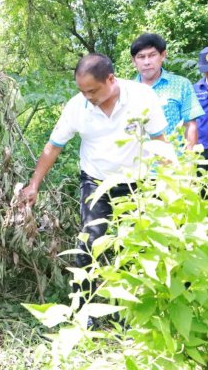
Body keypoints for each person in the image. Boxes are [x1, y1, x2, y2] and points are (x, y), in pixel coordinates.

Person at [21, 53, 168, 300]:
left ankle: (131, 309)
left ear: (111, 79)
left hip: (138, 184)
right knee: (89, 245)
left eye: (92, 91)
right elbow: (53, 146)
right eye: (82, 91)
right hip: (96, 183)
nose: (88, 97)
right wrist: (34, 184)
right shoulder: (77, 106)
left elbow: (160, 142)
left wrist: (170, 183)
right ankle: (83, 308)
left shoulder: (142, 97)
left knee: (136, 246)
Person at [131, 33, 204, 150]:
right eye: (141, 57)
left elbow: (190, 125)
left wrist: (189, 163)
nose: (147, 62)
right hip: (140, 164)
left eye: (152, 55)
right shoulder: (128, 91)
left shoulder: (181, 85)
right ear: (134, 61)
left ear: (163, 55)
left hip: (174, 163)